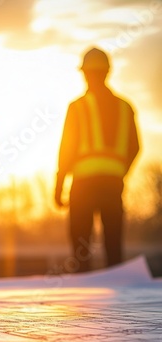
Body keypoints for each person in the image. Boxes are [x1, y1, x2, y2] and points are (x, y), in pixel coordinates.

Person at [54, 47, 140, 272]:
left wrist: (59, 184)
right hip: (112, 184)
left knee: (81, 246)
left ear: (85, 73)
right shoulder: (125, 107)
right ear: (107, 72)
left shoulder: (77, 107)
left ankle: (84, 297)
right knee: (113, 244)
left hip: (83, 184)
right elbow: (135, 147)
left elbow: (67, 149)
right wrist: (120, 172)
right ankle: (118, 297)